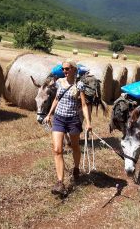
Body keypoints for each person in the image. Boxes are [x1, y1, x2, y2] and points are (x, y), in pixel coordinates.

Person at [44, 59, 92, 196]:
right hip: (59, 119)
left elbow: (83, 105)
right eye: (63, 69)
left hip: (73, 120)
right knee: (57, 150)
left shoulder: (79, 85)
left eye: (67, 69)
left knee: (75, 147)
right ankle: (60, 182)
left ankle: (76, 168)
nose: (64, 71)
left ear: (74, 70)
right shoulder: (59, 82)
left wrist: (88, 122)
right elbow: (56, 99)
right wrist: (49, 114)